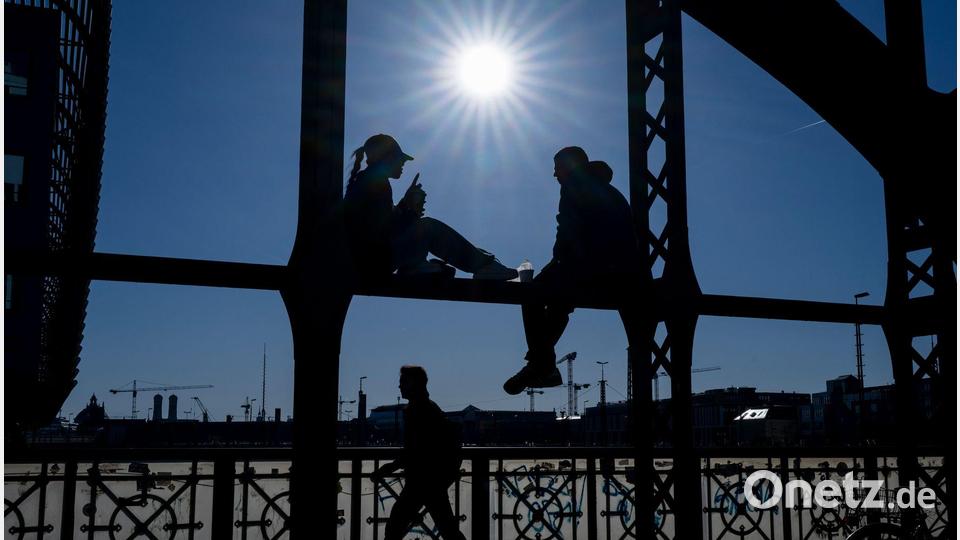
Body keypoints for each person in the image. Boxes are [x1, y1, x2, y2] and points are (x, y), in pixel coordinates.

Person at [504, 147, 642, 394]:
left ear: (569, 166)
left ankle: (542, 364)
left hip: (594, 267)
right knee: (558, 302)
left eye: (557, 168)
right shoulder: (605, 189)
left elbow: (568, 231)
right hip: (620, 272)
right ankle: (541, 365)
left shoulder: (574, 186)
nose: (554, 174)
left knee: (530, 291)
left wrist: (556, 263)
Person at [343, 134, 517, 281]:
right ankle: (483, 265)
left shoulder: (367, 181)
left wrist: (405, 204)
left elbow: (381, 224)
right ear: (387, 158)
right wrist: (411, 212)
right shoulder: (376, 183)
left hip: (370, 262)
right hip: (374, 264)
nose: (403, 164)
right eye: (400, 159)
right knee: (428, 227)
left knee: (426, 228)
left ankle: (418, 265)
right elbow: (382, 233)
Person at [373, 365, 466, 540]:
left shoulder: (417, 410)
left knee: (395, 527)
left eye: (403, 381)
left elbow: (415, 449)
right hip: (433, 479)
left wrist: (390, 467)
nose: (399, 386)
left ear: (414, 383)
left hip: (421, 480)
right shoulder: (429, 407)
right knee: (447, 528)